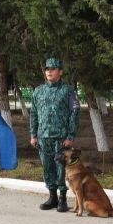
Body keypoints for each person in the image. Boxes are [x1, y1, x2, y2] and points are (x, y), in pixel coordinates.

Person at [29, 57, 80, 212]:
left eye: (52, 69)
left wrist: (70, 136)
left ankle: (62, 199)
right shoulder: (38, 91)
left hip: (61, 138)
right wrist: (33, 135)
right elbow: (34, 114)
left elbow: (75, 113)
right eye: (47, 69)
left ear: (60, 71)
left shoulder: (68, 91)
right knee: (47, 167)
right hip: (43, 137)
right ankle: (52, 197)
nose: (49, 71)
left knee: (61, 169)